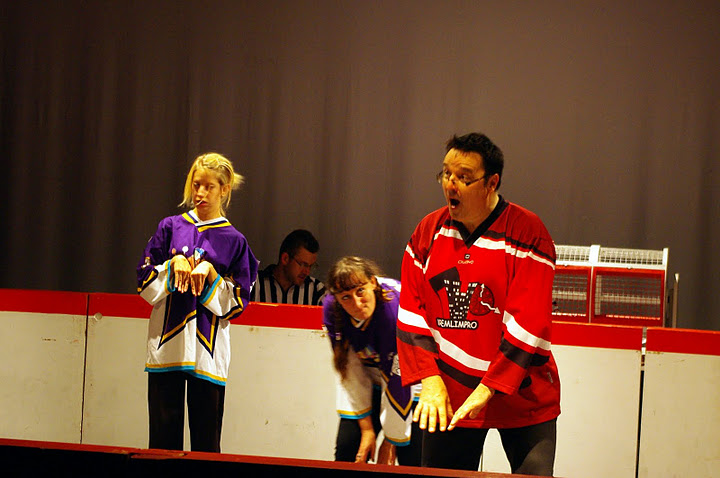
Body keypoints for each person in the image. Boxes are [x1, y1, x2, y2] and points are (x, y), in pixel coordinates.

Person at [396, 132, 560, 475]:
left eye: (464, 177)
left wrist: (488, 388)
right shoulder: (428, 232)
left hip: (523, 391)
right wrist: (429, 379)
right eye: (446, 174)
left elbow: (529, 320)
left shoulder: (527, 232)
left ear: (491, 183)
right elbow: (411, 310)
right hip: (450, 394)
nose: (450, 184)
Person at [137, 152, 258, 453]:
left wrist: (212, 274)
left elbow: (238, 303)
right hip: (167, 347)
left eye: (209, 186)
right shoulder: (170, 227)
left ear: (224, 190)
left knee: (206, 443)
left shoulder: (235, 241)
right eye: (196, 184)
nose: (200, 193)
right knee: (162, 442)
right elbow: (143, 280)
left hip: (209, 352)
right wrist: (172, 265)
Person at [323, 256, 422, 466]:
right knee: (348, 447)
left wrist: (391, 439)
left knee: (409, 454)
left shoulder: (392, 310)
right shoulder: (332, 308)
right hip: (371, 376)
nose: (357, 303)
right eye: (346, 297)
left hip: (411, 378)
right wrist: (367, 429)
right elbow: (348, 369)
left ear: (373, 283)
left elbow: (397, 378)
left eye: (360, 291)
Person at [251, 229, 326, 305]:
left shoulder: (317, 290)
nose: (307, 272)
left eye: (311, 266)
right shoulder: (254, 284)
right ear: (285, 259)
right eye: (303, 264)